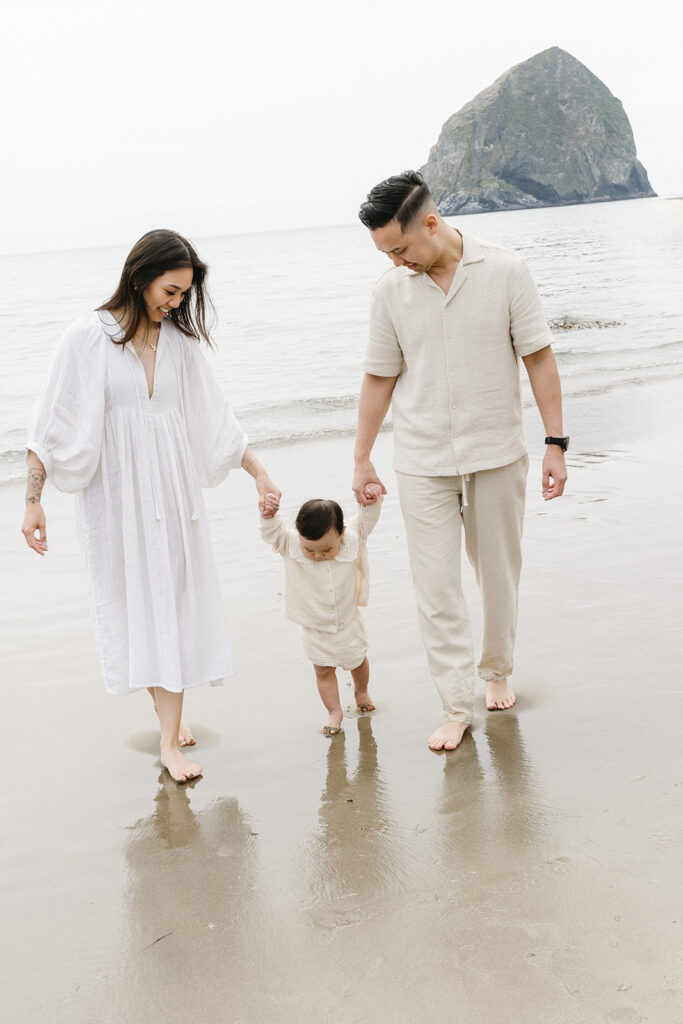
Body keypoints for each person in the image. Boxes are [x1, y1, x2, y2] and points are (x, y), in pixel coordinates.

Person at [22, 229, 281, 783]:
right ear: (139, 277)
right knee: (137, 603)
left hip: (172, 498)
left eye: (185, 294)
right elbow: (50, 424)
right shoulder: (86, 337)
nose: (177, 303)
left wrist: (260, 475)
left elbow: (217, 422)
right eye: (171, 290)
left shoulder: (182, 347)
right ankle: (167, 713)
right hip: (114, 501)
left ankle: (170, 739)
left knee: (175, 600)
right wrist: (33, 502)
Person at [353, 171, 568, 752]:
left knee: (498, 575)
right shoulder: (389, 292)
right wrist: (362, 459)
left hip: (496, 453)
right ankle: (455, 705)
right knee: (436, 589)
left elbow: (540, 359)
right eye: (385, 254)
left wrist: (556, 443)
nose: (396, 262)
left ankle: (496, 669)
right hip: (421, 461)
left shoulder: (505, 270)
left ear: (430, 223)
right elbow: (378, 378)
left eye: (400, 248)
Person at [259, 487, 382, 736]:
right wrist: (269, 514)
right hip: (314, 628)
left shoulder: (352, 539)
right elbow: (271, 532)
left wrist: (371, 498)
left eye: (326, 550)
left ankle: (361, 692)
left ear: (342, 533)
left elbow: (367, 518)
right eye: (310, 550)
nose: (317, 555)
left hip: (349, 623)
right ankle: (334, 711)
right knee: (323, 670)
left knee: (358, 661)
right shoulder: (291, 544)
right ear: (300, 538)